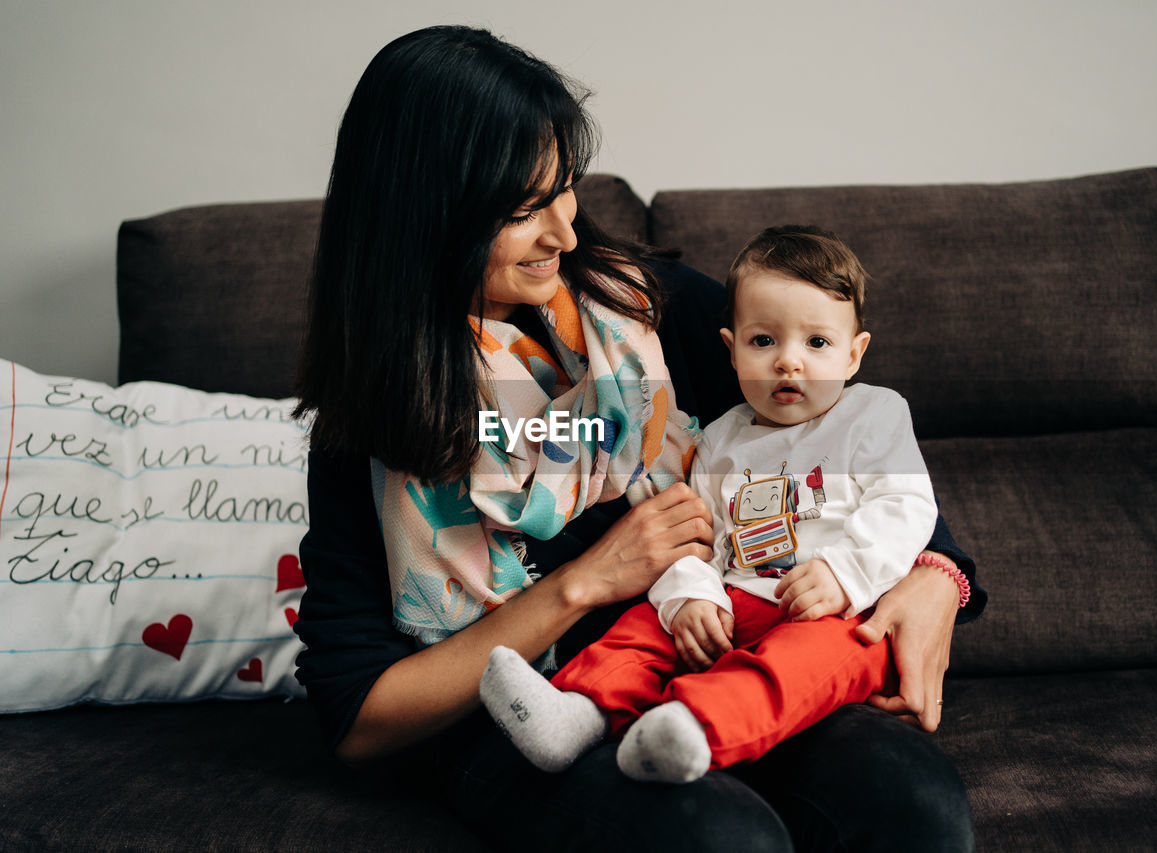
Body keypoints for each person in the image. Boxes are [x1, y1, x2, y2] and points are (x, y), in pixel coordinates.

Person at [292, 24, 987, 852]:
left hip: (726, 649)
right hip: (525, 714)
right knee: (719, 839)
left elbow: (839, 435)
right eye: (522, 210)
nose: (565, 233)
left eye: (564, 188)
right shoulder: (373, 414)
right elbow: (358, 716)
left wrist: (940, 577)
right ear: (426, 217)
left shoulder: (648, 306)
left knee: (909, 805)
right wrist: (586, 582)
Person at [479, 225, 969, 785]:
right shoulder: (719, 438)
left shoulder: (874, 414)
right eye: (764, 342)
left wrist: (845, 573)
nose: (789, 362)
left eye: (817, 343)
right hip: (738, 597)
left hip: (836, 608)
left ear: (855, 354)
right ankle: (575, 710)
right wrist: (692, 593)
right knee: (647, 628)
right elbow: (699, 534)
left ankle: (693, 728)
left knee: (813, 660)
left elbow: (904, 504)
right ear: (730, 349)